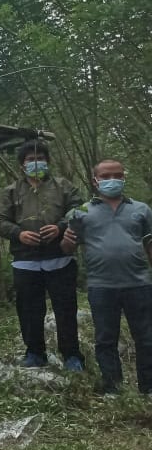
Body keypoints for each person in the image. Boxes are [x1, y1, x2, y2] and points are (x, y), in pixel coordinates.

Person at [61, 160, 152, 396]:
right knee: (105, 339)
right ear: (95, 181)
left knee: (146, 337)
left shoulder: (141, 209)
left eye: (118, 175)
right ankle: (113, 388)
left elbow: (149, 244)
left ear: (124, 177)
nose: (113, 179)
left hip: (139, 283)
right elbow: (67, 247)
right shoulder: (79, 211)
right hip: (101, 285)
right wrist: (67, 242)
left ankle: (148, 387)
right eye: (106, 175)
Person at [0, 140, 84, 370]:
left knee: (65, 309)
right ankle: (35, 352)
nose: (36, 163)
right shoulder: (10, 191)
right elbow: (0, 221)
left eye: (40, 158)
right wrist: (19, 233)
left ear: (48, 161)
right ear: (22, 165)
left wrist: (61, 227)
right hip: (25, 261)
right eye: (31, 160)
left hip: (60, 258)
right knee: (29, 311)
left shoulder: (64, 186)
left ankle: (72, 355)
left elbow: (79, 210)